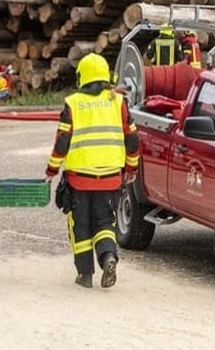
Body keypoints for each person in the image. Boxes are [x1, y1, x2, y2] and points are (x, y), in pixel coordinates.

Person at [46, 52, 139, 289]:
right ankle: (108, 256)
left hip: (79, 180)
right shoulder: (118, 102)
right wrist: (132, 167)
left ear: (81, 77)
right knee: (105, 223)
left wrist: (52, 169)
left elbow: (62, 142)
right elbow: (132, 138)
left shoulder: (73, 103)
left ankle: (85, 275)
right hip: (110, 179)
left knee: (81, 226)